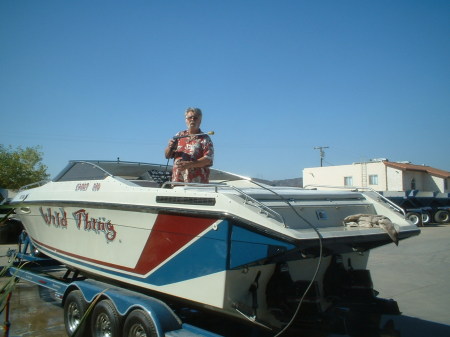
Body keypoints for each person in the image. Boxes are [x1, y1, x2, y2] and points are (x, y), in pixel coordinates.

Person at [165, 107, 214, 183]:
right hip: (178, 182)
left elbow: (208, 160)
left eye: (195, 118)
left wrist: (190, 164)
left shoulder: (205, 138)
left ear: (200, 121)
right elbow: (167, 156)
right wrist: (169, 147)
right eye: (189, 118)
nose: (192, 120)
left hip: (197, 185)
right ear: (185, 120)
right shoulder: (179, 135)